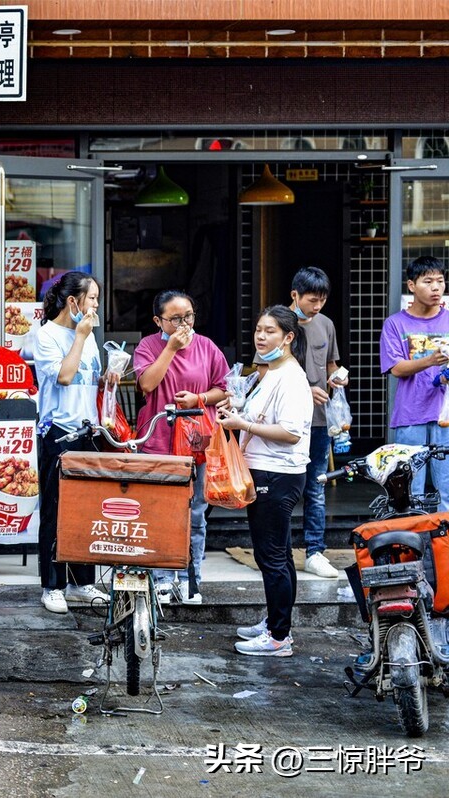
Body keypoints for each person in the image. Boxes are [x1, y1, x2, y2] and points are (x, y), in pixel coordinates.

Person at [220, 306, 312, 657]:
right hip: (268, 471)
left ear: (288, 337)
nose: (261, 336)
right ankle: (276, 620)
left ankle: (278, 637)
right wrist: (238, 413)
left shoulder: (291, 378)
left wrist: (243, 426)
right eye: (259, 329)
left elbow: (289, 432)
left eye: (270, 331)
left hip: (278, 474)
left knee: (271, 555)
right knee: (278, 554)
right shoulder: (270, 372)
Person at [133, 290, 228, 605]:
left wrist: (199, 400)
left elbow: (224, 389)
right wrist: (171, 348)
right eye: (175, 319)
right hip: (159, 442)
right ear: (158, 320)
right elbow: (147, 384)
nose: (184, 323)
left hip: (198, 444)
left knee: (197, 514)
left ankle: (191, 580)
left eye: (188, 316)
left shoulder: (207, 346)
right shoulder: (149, 346)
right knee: (160, 512)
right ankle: (161, 578)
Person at [28, 271, 111, 615]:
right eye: (91, 298)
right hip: (58, 434)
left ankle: (82, 581)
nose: (96, 305)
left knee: (87, 510)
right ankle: (52, 585)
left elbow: (85, 378)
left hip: (89, 431)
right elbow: (64, 375)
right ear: (73, 301)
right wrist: (79, 336)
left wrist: (109, 377)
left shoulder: (88, 334)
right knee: (56, 511)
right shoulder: (46, 335)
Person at [276, 268, 347, 579]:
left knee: (316, 487)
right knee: (283, 487)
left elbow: (331, 365)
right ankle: (279, 549)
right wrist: (305, 388)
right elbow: (265, 372)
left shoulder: (326, 325)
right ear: (295, 295)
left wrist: (338, 377)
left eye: (322, 300)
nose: (317, 306)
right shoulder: (277, 324)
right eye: (312, 300)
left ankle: (315, 551)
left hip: (319, 420)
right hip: (284, 421)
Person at [380, 256, 449, 512]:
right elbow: (397, 368)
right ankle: (415, 550)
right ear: (411, 285)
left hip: (446, 416)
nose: (436, 288)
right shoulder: (395, 324)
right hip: (410, 415)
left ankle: (445, 550)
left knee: (448, 490)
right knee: (411, 492)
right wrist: (431, 360)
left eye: (440, 281)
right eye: (428, 281)